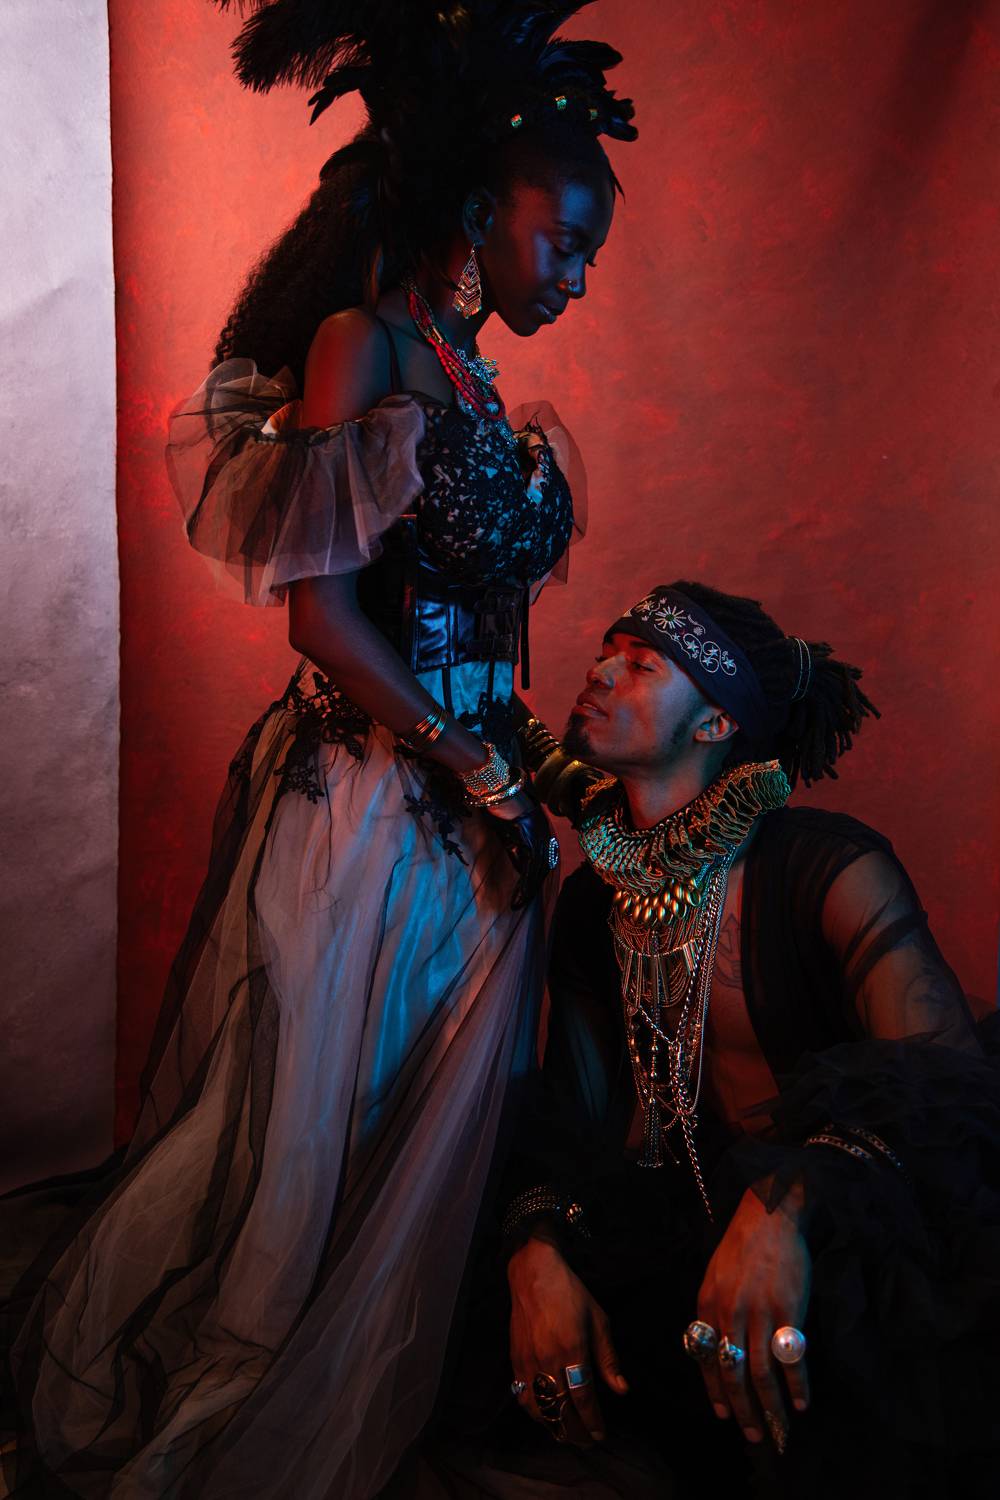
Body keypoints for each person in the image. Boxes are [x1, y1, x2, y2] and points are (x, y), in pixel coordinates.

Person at [1, 6, 638, 1498]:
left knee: (426, 1132)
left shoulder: (476, 379)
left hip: (476, 802)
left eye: (593, 254)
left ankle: (380, 1395)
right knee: (321, 1128)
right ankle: (267, 1415)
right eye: (564, 241)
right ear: (477, 213)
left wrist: (522, 771)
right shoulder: (365, 347)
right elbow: (321, 619)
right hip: (366, 805)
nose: (577, 275)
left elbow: (487, 620)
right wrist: (466, 759)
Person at [405, 581, 1000, 1499]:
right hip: (666, 1249)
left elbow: (946, 1092)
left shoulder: (829, 867)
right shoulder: (593, 904)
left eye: (642, 664)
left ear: (716, 723)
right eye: (607, 652)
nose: (602, 671)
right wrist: (536, 1251)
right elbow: (573, 1114)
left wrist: (784, 1201)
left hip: (853, 1255)